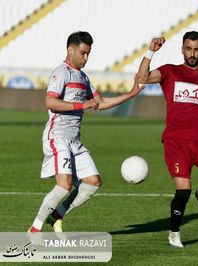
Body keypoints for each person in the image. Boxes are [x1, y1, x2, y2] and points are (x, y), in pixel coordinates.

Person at [28, 31, 144, 233]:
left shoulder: (83, 77)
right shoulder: (61, 72)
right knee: (64, 185)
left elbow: (100, 103)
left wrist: (131, 93)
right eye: (83, 53)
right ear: (70, 50)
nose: (86, 58)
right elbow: (50, 102)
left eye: (89, 53)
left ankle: (58, 214)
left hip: (74, 141)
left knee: (92, 182)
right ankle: (34, 230)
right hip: (58, 137)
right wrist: (81, 105)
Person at [136, 31, 198, 248]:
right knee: (182, 191)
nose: (192, 53)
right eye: (188, 49)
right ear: (182, 49)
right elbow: (142, 79)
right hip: (176, 142)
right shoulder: (170, 71)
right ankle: (174, 233)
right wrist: (150, 52)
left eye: (196, 49)